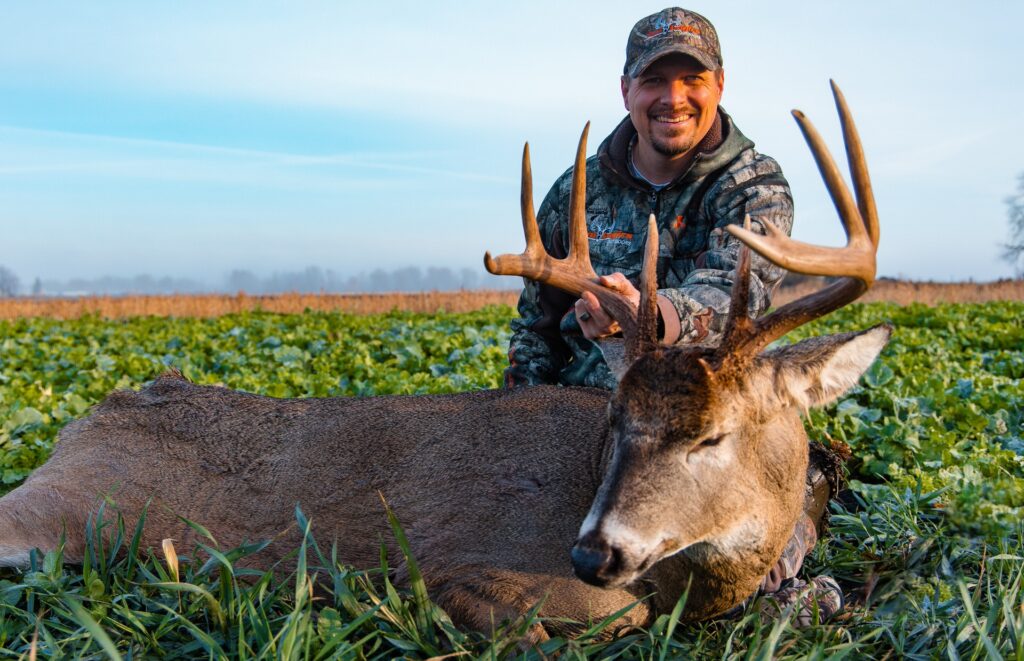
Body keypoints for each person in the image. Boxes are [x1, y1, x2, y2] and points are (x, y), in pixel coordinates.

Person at [504, 7, 842, 623]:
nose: (673, 98)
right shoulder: (575, 193)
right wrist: (517, 419)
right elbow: (534, 324)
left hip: (699, 412)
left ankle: (780, 565)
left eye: (693, 79)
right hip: (582, 419)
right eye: (655, 81)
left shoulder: (754, 188)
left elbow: (731, 294)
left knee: (787, 484)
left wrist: (647, 317)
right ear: (627, 89)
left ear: (719, 85)